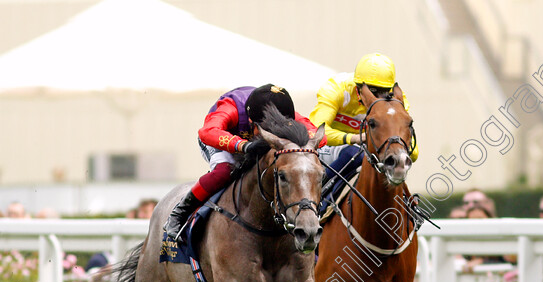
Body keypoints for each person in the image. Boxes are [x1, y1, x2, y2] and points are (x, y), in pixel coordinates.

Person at [164, 84, 321, 240]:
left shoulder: (286, 111)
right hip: (220, 140)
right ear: (251, 120)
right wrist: (243, 145)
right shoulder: (231, 107)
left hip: (253, 144)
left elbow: (320, 136)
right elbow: (207, 132)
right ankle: (180, 213)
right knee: (224, 171)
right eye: (265, 130)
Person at [309, 53, 417, 187]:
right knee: (354, 153)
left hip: (370, 150)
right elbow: (314, 133)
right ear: (357, 87)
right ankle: (321, 193)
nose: (375, 97)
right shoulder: (336, 89)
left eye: (382, 92)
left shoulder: (396, 100)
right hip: (330, 149)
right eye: (371, 91)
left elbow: (414, 152)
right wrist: (354, 138)